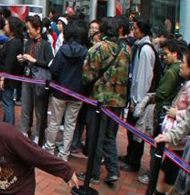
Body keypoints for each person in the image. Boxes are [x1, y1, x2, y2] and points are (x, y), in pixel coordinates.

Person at [134, 49, 190, 195]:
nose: (181, 66)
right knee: (165, 177)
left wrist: (176, 113)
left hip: (181, 143)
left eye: (184, 63)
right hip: (177, 141)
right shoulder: (189, 84)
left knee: (166, 178)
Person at [79, 16, 131, 185]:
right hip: (118, 101)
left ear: (102, 31)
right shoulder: (126, 50)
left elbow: (87, 76)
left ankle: (93, 173)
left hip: (100, 100)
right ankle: (113, 170)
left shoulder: (98, 48)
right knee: (109, 136)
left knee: (95, 137)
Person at [44, 20, 87, 161]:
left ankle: (49, 149)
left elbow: (54, 69)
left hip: (60, 91)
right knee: (70, 124)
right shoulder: (85, 52)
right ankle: (64, 153)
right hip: (77, 93)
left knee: (55, 121)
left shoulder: (63, 50)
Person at [121, 18, 157, 173]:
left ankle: (134, 161)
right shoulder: (140, 46)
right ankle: (129, 156)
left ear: (142, 31)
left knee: (137, 133)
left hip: (140, 100)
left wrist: (137, 101)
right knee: (131, 130)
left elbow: (143, 78)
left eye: (135, 28)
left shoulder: (145, 50)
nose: (133, 31)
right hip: (136, 98)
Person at [18, 15, 54, 140]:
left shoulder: (45, 45)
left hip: (39, 80)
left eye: (30, 28)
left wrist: (34, 60)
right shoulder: (28, 42)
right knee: (25, 107)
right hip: (27, 77)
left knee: (40, 110)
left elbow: (50, 63)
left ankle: (39, 134)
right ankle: (24, 130)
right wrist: (23, 59)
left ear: (38, 29)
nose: (28, 31)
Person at [0, 16, 24, 126]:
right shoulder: (15, 41)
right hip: (10, 77)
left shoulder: (14, 43)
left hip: (9, 78)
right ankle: (6, 124)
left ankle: (9, 126)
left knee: (8, 103)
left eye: (7, 24)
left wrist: (3, 78)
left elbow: (9, 61)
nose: (5, 26)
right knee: (7, 102)